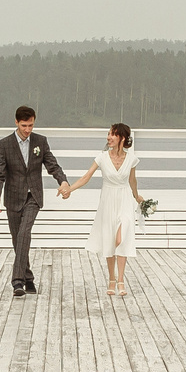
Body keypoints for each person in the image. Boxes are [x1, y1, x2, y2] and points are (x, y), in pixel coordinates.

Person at [0, 105, 64, 297]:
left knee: (24, 233)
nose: (27, 129)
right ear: (16, 122)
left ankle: (17, 282)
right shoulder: (4, 144)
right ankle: (28, 278)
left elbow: (51, 164)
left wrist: (62, 181)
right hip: (13, 198)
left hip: (33, 196)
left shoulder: (40, 141)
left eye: (31, 125)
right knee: (17, 240)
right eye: (24, 125)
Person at [63, 121, 144, 297]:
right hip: (108, 200)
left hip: (123, 199)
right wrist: (70, 188)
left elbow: (132, 181)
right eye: (108, 134)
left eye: (112, 134)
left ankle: (121, 279)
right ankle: (112, 279)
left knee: (121, 238)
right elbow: (86, 177)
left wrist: (137, 196)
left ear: (122, 137)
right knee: (109, 239)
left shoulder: (131, 159)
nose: (108, 137)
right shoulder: (101, 157)